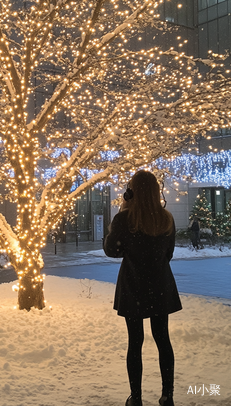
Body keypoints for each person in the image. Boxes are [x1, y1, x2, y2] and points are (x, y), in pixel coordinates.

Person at [103, 170, 182, 406]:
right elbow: (168, 253)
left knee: (134, 343)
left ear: (131, 192)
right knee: (163, 340)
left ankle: (135, 398)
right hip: (160, 286)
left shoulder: (124, 220)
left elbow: (112, 251)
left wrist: (122, 212)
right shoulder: (166, 219)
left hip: (133, 287)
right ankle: (167, 395)